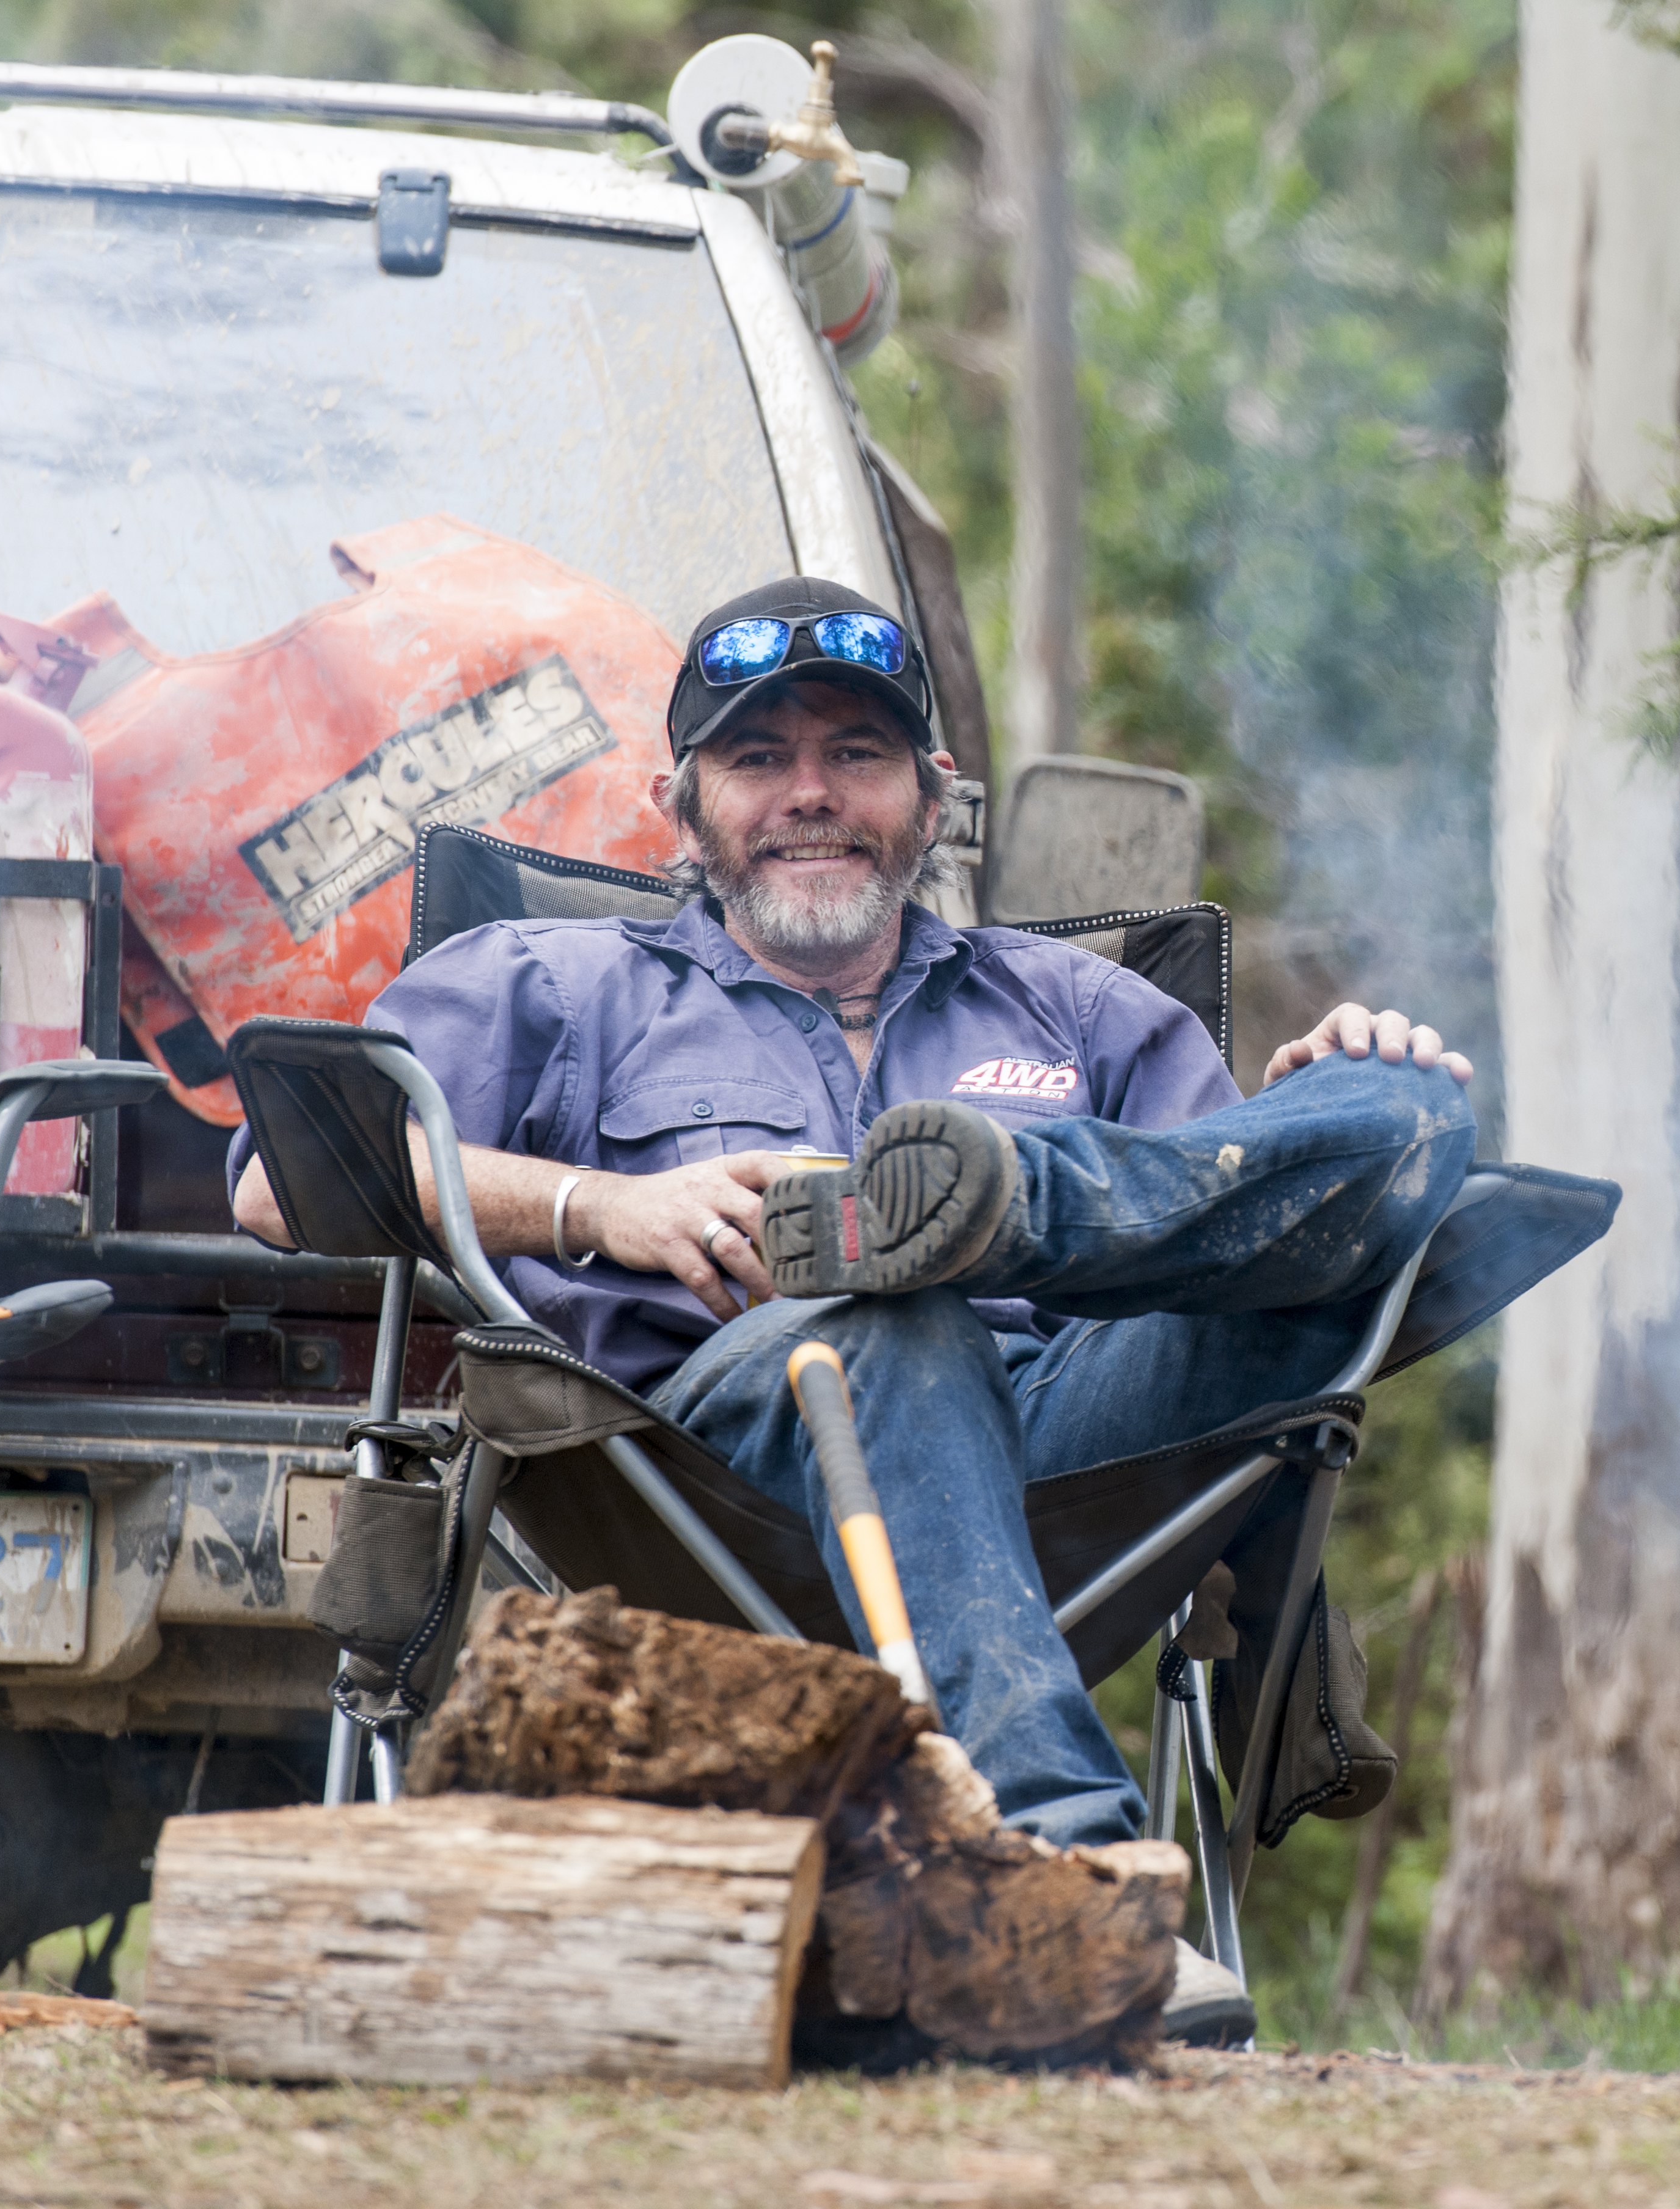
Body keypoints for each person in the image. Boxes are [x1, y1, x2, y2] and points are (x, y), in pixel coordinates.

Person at [230, 576, 1480, 2045]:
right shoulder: (557, 987)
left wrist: (1318, 1112)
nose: (810, 796)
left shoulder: (1081, 1009)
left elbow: (1245, 1246)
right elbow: (282, 1178)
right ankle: (1066, 1868)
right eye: (759, 760)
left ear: (932, 797)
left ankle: (1021, 1203)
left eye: (857, 757)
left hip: (1066, 1462)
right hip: (707, 1473)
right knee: (891, 1316)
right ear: (679, 803)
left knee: (1392, 1109)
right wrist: (597, 1207)